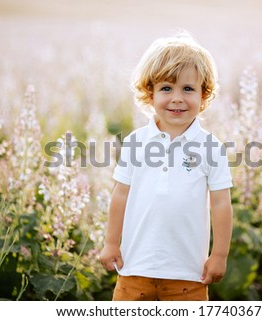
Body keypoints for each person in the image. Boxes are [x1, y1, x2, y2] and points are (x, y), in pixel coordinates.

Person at [99, 32, 233, 301]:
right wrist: (111, 242)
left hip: (188, 274)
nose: (177, 98)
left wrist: (219, 255)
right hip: (135, 268)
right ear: (150, 93)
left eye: (188, 89)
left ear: (204, 94)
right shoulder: (136, 141)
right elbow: (120, 195)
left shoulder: (211, 147)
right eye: (166, 89)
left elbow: (221, 204)